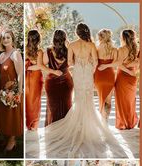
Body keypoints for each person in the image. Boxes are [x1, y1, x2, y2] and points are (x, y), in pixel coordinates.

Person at [26, 23, 127, 158]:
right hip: (87, 73)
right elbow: (95, 61)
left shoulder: (72, 45)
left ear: (77, 33)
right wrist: (90, 69)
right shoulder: (91, 45)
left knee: (78, 100)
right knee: (88, 99)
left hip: (78, 73)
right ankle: (89, 128)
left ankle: (77, 127)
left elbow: (70, 62)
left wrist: (78, 65)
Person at [98, 29, 139, 129]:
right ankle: (130, 122)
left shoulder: (121, 49)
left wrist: (128, 71)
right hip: (133, 77)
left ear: (124, 38)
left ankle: (123, 124)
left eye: (121, 36)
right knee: (130, 100)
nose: (120, 38)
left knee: (121, 100)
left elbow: (119, 64)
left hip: (123, 77)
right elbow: (138, 62)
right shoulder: (136, 49)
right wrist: (131, 70)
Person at [0, 30, 23, 151]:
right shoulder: (1, 55)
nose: (6, 40)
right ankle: (6, 137)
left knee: (13, 115)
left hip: (13, 89)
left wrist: (19, 91)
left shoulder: (16, 53)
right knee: (4, 114)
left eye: (8, 37)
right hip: (3, 89)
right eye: (3, 38)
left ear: (12, 39)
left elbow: (20, 74)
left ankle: (12, 139)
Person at [94, 29, 117, 120]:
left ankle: (101, 120)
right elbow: (116, 64)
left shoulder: (96, 48)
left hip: (99, 75)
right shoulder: (114, 49)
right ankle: (105, 119)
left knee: (100, 98)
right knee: (108, 100)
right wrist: (107, 65)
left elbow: (94, 63)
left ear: (100, 37)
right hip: (109, 75)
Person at [25, 30, 43, 130]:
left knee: (29, 99)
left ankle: (29, 123)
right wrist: (30, 67)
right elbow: (39, 66)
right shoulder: (39, 51)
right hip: (36, 77)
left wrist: (27, 67)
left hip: (28, 76)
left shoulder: (26, 50)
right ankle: (34, 124)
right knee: (35, 100)